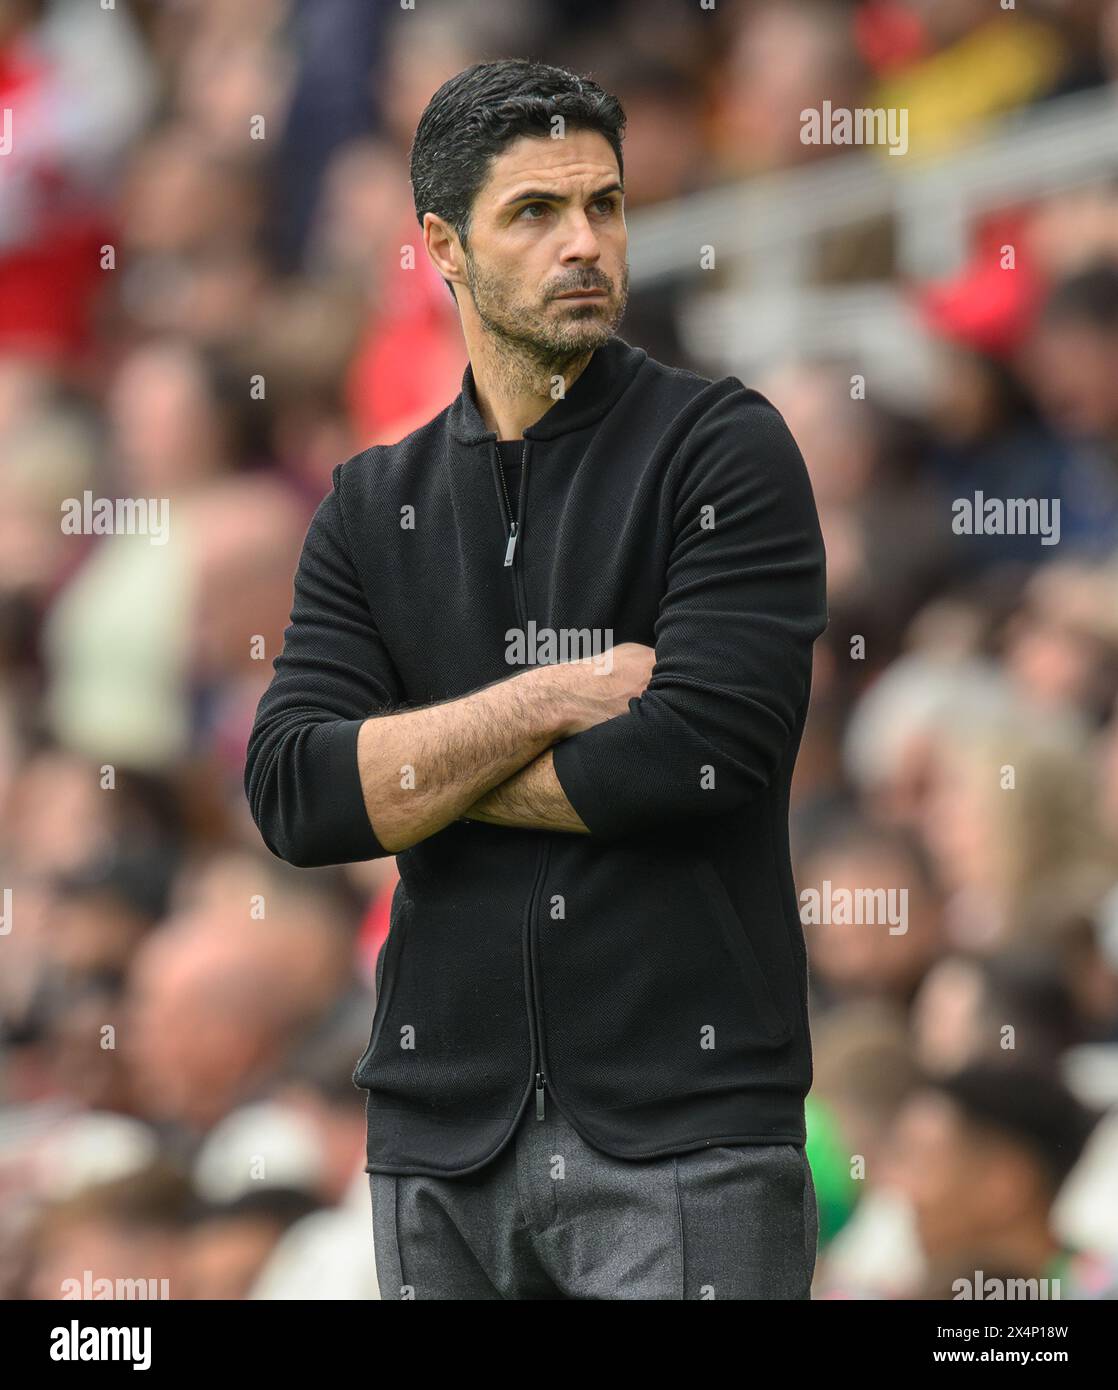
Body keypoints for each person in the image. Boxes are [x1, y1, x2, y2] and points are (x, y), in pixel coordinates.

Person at [244, 58, 829, 1300]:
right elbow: (295, 795)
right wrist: (544, 701)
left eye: (604, 206)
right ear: (441, 247)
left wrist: (408, 770)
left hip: (686, 1129)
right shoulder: (368, 505)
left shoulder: (723, 447)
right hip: (437, 1135)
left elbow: (697, 755)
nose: (586, 243)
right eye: (535, 213)